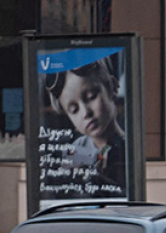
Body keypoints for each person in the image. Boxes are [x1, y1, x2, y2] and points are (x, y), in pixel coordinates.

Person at [44, 57, 127, 186]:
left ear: (113, 87)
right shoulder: (76, 148)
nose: (86, 113)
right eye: (74, 110)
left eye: (91, 97)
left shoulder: (127, 147)